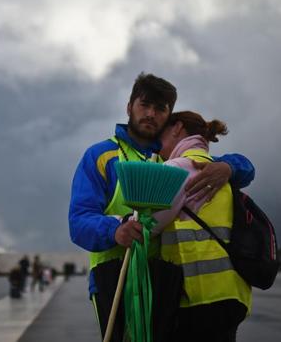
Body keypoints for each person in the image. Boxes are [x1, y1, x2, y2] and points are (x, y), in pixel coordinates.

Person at [68, 73, 255, 340]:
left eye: (160, 108)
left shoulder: (172, 157)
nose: (151, 114)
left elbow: (244, 166)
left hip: (166, 282)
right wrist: (115, 230)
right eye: (144, 105)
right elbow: (78, 221)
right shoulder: (100, 156)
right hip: (115, 277)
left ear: (170, 117)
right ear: (129, 107)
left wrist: (228, 167)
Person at [152, 111, 251, 341]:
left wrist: (120, 223)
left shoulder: (176, 167)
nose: (158, 145)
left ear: (177, 128)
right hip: (232, 294)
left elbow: (151, 222)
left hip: (197, 297)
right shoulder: (218, 170)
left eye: (162, 134)